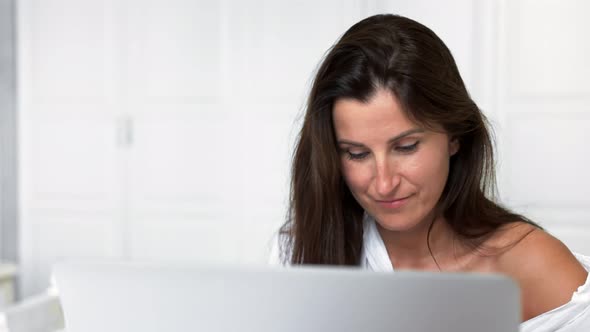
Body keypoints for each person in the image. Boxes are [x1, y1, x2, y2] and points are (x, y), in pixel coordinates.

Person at [269, 14, 590, 331]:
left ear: (454, 136)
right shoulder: (301, 251)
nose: (384, 183)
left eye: (406, 147)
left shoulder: (531, 267)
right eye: (357, 153)